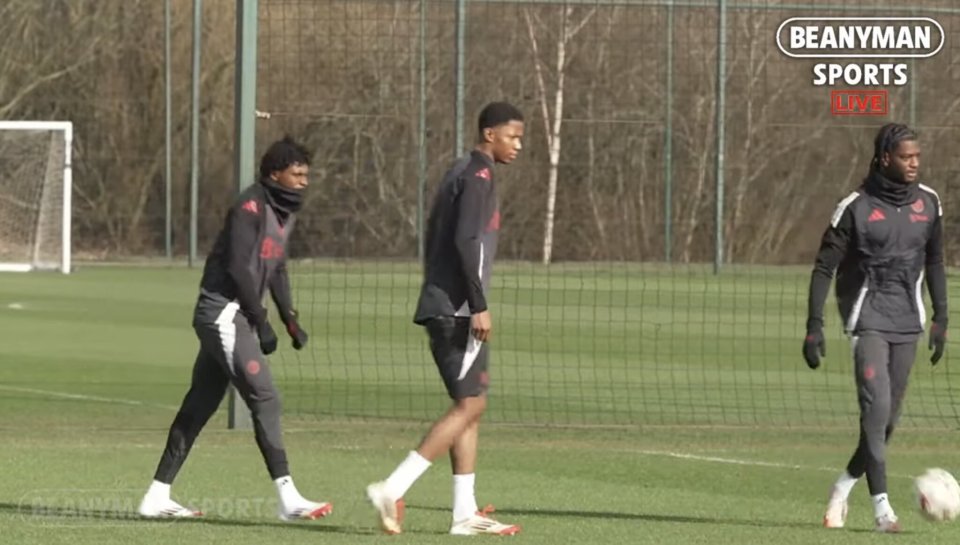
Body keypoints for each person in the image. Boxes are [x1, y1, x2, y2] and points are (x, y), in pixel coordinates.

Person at [137, 136, 331, 521]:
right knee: (265, 397)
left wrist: (290, 319)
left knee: (200, 403)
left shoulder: (285, 212)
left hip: (237, 315)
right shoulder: (249, 205)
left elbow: (276, 267)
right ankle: (288, 499)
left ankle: (156, 495)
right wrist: (261, 321)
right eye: (297, 174)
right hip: (223, 312)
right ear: (274, 174)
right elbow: (240, 267)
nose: (304, 181)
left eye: (306, 175)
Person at [365, 102, 524, 536]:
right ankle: (392, 488)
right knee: (470, 404)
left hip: (447, 304)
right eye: (512, 136)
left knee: (471, 403)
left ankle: (464, 514)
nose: (518, 145)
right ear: (489, 134)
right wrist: (478, 303)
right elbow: (465, 240)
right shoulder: (477, 177)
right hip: (456, 308)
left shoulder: (462, 172)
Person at [803, 123, 947, 533]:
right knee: (876, 407)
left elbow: (935, 260)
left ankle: (842, 488)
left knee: (886, 423)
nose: (914, 163)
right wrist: (814, 325)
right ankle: (883, 511)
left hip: (907, 320)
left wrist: (941, 316)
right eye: (905, 156)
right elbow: (823, 268)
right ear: (885, 158)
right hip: (866, 319)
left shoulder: (929, 203)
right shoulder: (855, 207)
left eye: (917, 156)